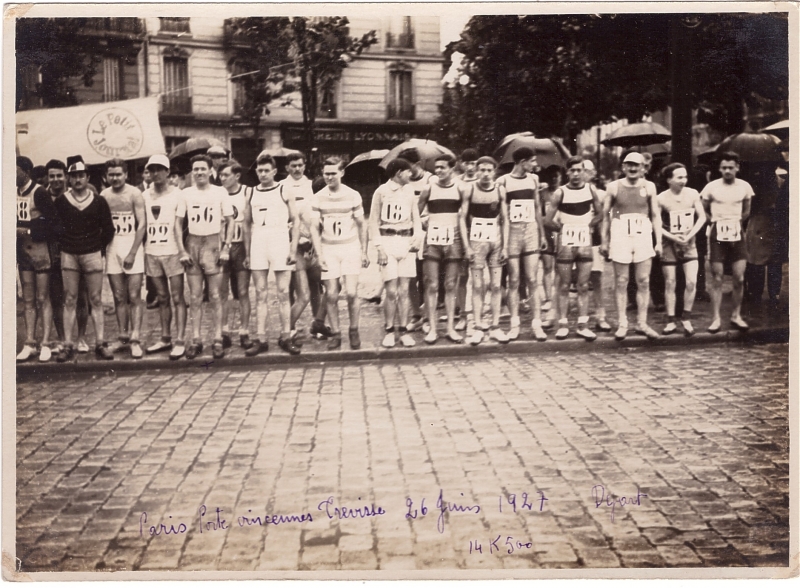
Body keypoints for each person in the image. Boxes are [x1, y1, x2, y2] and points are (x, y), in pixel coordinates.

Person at [53, 160, 116, 362]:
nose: (78, 179)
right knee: (70, 298)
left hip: (92, 253)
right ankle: (68, 345)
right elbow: (55, 228)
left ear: (88, 177)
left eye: (82, 175)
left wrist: (96, 247)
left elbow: (108, 229)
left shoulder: (98, 201)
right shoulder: (62, 201)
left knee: (96, 299)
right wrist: (67, 244)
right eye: (74, 176)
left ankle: (100, 343)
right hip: (70, 253)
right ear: (69, 179)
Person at [242, 153, 300, 356]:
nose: (263, 174)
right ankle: (261, 339)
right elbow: (247, 224)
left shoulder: (285, 189)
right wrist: (248, 252)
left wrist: (293, 249)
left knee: (283, 292)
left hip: (280, 240)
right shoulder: (250, 193)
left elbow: (296, 220)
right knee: (260, 293)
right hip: (259, 242)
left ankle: (286, 336)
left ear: (274, 172)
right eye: (260, 170)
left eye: (267, 170)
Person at [600, 152, 662, 341]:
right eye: (629, 165)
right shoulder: (613, 187)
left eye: (637, 165)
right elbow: (605, 216)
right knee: (621, 280)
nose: (633, 168)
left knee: (643, 280)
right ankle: (623, 323)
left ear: (644, 167)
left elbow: (655, 215)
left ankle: (642, 323)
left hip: (642, 232)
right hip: (620, 232)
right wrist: (604, 240)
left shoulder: (649, 187)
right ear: (623, 167)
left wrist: (658, 241)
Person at [309, 158, 370, 350]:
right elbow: (314, 229)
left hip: (349, 248)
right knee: (332, 294)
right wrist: (319, 255)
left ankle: (354, 330)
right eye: (326, 173)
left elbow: (362, 224)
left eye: (333, 173)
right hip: (329, 249)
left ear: (342, 173)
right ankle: (336, 333)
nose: (329, 177)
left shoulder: (353, 195)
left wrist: (364, 251)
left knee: (352, 293)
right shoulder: (318, 197)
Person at [545, 155, 604, 341]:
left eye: (580, 170)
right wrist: (562, 230)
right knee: (563, 284)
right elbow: (547, 219)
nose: (576, 174)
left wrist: (590, 225)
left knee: (584, 285)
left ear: (584, 172)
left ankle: (582, 325)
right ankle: (562, 324)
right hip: (566, 242)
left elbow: (601, 213)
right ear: (567, 172)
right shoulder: (560, 192)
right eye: (573, 170)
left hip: (584, 241)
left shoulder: (590, 189)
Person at [181, 154, 234, 359]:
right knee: (194, 297)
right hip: (193, 243)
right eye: (196, 169)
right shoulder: (185, 193)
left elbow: (230, 221)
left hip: (213, 244)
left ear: (211, 171)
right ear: (192, 172)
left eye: (203, 168)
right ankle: (196, 339)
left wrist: (226, 247)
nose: (199, 172)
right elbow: (177, 224)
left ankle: (218, 338)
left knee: (215, 295)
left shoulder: (220, 192)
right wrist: (182, 250)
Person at [496, 147, 548, 341]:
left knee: (533, 279)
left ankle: (537, 323)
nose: (535, 165)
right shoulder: (503, 181)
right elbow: (501, 214)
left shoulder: (533, 180)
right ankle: (514, 323)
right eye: (532, 161)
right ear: (522, 162)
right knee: (514, 280)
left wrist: (542, 235)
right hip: (512, 234)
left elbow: (537, 208)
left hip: (531, 231)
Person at [141, 154, 189, 360]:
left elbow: (180, 226)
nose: (156, 173)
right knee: (162, 298)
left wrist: (182, 251)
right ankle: (165, 337)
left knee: (178, 297)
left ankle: (180, 340)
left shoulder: (179, 195)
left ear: (168, 172)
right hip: (152, 252)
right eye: (152, 170)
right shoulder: (143, 195)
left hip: (172, 252)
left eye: (160, 169)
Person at [370, 158, 422, 347]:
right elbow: (373, 222)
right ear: (399, 172)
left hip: (405, 243)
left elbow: (416, 219)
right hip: (387, 242)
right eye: (408, 171)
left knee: (404, 290)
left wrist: (417, 237)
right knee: (391, 291)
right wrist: (379, 247)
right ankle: (389, 330)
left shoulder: (409, 192)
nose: (411, 174)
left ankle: (403, 330)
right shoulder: (381, 191)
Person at [418, 154, 470, 343]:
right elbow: (417, 213)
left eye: (443, 167)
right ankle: (432, 328)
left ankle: (449, 328)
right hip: (433, 239)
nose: (438, 171)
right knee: (431, 284)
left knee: (450, 284)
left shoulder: (461, 188)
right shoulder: (428, 188)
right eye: (436, 167)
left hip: (453, 238)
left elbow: (464, 215)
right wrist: (424, 221)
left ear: (452, 168)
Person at [281, 152, 332, 343]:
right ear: (287, 167)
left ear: (304, 166)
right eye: (293, 165)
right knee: (297, 291)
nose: (296, 169)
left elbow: (315, 216)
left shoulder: (310, 185)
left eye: (300, 165)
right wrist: (294, 236)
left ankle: (317, 324)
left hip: (312, 243)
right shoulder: (282, 187)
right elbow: (283, 218)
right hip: (293, 245)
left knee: (318, 287)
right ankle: (289, 329)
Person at [700, 152, 753, 332]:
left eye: (731, 167)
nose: (727, 171)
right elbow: (703, 209)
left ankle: (736, 315)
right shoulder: (711, 187)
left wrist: (736, 222)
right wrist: (714, 221)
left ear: (737, 168)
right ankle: (716, 318)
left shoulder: (745, 187)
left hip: (737, 232)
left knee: (739, 277)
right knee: (717, 277)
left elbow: (747, 210)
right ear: (719, 169)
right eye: (724, 168)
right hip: (717, 233)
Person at [460, 156, 510, 345]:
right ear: (477, 170)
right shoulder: (470, 189)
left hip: (495, 241)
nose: (486, 174)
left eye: (489, 170)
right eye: (482, 170)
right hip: (476, 241)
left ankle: (495, 326)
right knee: (478, 286)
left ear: (494, 171)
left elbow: (505, 219)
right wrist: (466, 247)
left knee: (496, 285)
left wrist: (505, 246)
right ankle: (478, 327)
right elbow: (462, 218)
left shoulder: (500, 190)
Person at [100, 158, 146, 358]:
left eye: (118, 174)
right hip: (113, 247)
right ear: (106, 176)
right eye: (111, 174)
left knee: (134, 296)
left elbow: (142, 224)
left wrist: (133, 252)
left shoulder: (135, 193)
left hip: (131, 245)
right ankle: (123, 336)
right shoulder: (103, 195)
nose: (115, 178)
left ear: (126, 174)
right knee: (119, 297)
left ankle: (135, 338)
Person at [16, 156, 59, 362]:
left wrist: (29, 229)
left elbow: (53, 222)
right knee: (28, 298)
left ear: (25, 171)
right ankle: (30, 341)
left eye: (13, 170)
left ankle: (46, 343)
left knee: (43, 298)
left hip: (41, 251)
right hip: (23, 253)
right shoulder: (12, 192)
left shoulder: (39, 192)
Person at [657, 162, 706, 336]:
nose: (683, 180)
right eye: (679, 177)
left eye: (685, 176)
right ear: (669, 179)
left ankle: (686, 317)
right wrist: (672, 237)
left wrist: (691, 234)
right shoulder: (661, 198)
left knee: (691, 281)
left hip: (689, 242)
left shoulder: (692, 194)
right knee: (670, 282)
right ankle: (671, 320)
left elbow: (702, 217)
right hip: (670, 243)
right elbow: (655, 224)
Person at [218, 161, 253, 351]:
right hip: (223, 246)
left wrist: (249, 251)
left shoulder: (247, 192)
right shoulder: (216, 193)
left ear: (237, 176)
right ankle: (223, 332)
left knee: (242, 292)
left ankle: (244, 331)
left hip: (241, 246)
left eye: (226, 175)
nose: (222, 178)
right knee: (222, 292)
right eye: (220, 175)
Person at [399, 148, 432, 332]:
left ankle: (427, 316)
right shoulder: (401, 182)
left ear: (417, 165)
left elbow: (436, 207)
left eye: (407, 166)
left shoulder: (430, 180)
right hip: (408, 235)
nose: (403, 170)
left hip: (427, 234)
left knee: (427, 277)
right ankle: (416, 314)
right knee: (410, 277)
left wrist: (425, 220)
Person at [583, 160, 611, 332]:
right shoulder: (567, 191)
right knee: (576, 281)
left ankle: (600, 316)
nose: (583, 173)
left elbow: (605, 218)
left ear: (593, 173)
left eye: (587, 170)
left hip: (593, 240)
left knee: (597, 279)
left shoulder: (601, 194)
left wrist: (605, 241)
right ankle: (580, 318)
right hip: (574, 241)